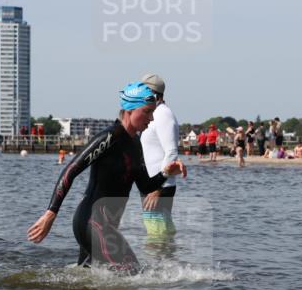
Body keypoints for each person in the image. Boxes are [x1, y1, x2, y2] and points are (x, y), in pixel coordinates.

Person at [27, 82, 187, 273]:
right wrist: (50, 213)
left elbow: (145, 186)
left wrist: (166, 172)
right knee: (133, 274)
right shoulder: (109, 138)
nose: (151, 118)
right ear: (129, 110)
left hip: (104, 226)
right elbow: (71, 170)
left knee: (87, 282)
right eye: (147, 112)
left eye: (153, 112)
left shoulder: (135, 144)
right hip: (92, 222)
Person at [138, 73, 180, 238]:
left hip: (160, 187)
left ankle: (163, 255)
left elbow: (172, 152)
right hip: (153, 185)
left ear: (155, 95)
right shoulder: (154, 114)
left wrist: (157, 189)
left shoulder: (163, 114)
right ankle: (168, 254)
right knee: (160, 233)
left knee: (157, 236)